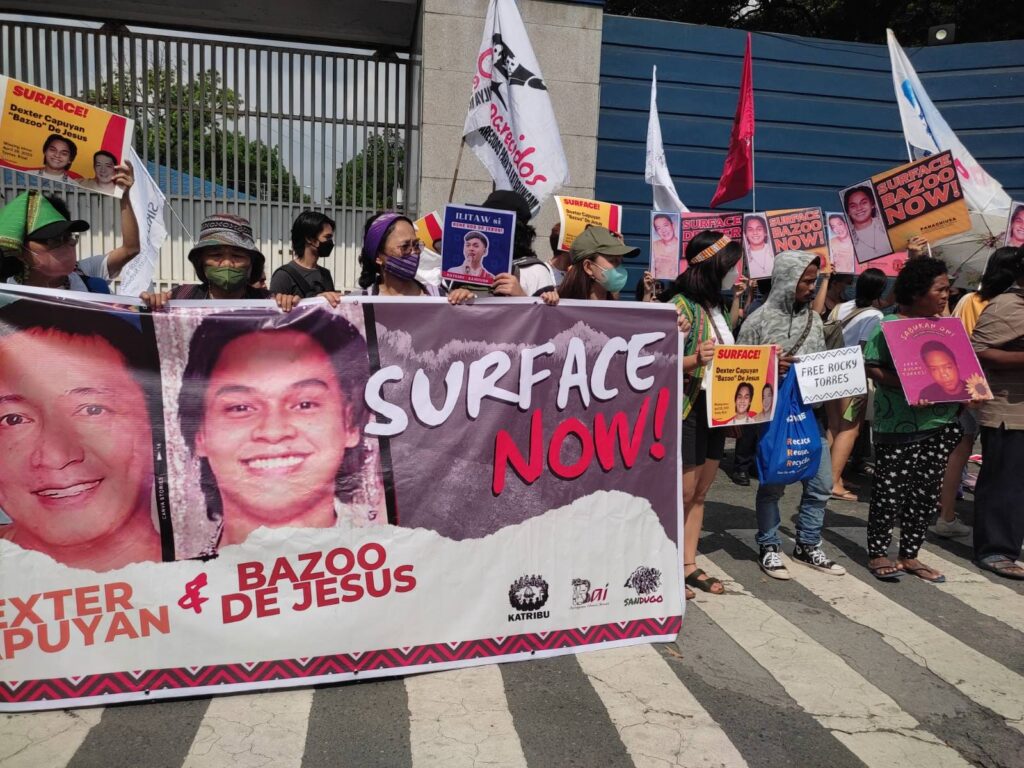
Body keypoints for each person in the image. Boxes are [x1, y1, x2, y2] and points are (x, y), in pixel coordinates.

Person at [177, 307, 381, 548]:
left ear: (349, 423)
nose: (273, 432)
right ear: (200, 433)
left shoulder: (399, 554)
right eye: (240, 408)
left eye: (305, 404)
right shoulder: (168, 575)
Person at [0, 299, 162, 570]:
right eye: (13, 419)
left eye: (93, 410)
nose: (55, 456)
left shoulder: (228, 570)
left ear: (156, 422)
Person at [738, 250, 847, 579]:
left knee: (821, 483)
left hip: (808, 417)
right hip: (771, 418)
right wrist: (772, 368)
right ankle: (769, 546)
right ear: (787, 280)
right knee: (773, 483)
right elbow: (738, 371)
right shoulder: (756, 322)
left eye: (815, 281)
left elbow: (822, 362)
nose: (812, 287)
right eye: (807, 280)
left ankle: (807, 544)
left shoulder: (815, 319)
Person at [863, 257, 963, 583]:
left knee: (925, 493)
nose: (946, 295)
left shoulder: (946, 328)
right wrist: (909, 383)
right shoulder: (886, 325)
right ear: (918, 292)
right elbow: (870, 366)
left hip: (939, 424)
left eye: (948, 289)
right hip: (899, 425)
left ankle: (910, 555)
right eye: (940, 289)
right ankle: (878, 552)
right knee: (890, 491)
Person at [660, 230, 745, 599]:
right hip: (686, 408)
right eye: (730, 266)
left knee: (701, 493)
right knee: (683, 492)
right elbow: (654, 362)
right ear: (712, 266)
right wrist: (696, 359)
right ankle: (664, 564)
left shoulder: (718, 308)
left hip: (716, 409)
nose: (734, 274)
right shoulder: (678, 305)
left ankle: (688, 564)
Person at [934, 246, 1023, 539]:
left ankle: (948, 514)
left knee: (964, 454)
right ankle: (949, 517)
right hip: (979, 390)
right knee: (972, 457)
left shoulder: (975, 299)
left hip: (974, 387)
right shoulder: (997, 303)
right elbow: (975, 346)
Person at [970, 245, 1024, 579]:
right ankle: (995, 549)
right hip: (1008, 412)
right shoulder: (1007, 305)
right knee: (1005, 483)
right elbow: (977, 350)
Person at [0, 181, 139, 293]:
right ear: (19, 250)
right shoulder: (7, 296)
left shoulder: (84, 276)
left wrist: (124, 195)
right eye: (53, 240)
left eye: (68, 238)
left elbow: (130, 249)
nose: (65, 247)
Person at [141, 214, 298, 311]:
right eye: (216, 255)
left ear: (251, 264)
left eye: (237, 255)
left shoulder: (270, 304)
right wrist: (154, 306)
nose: (227, 264)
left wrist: (299, 307)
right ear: (201, 262)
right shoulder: (179, 299)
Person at [825, 267, 887, 500]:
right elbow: (865, 348)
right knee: (850, 428)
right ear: (880, 290)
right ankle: (833, 482)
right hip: (853, 377)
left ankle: (827, 477)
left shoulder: (841, 307)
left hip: (830, 371)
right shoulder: (874, 316)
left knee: (833, 426)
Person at [357, 212, 473, 304]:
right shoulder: (359, 305)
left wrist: (465, 302)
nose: (413, 252)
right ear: (378, 257)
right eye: (405, 246)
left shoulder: (439, 298)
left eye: (416, 245)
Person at [553, 225, 639, 302]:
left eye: (621, 261)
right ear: (588, 267)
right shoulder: (561, 307)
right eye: (613, 260)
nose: (619, 268)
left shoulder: (615, 310)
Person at [269, 210, 338, 301]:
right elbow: (275, 313)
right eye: (327, 237)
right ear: (310, 239)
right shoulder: (283, 276)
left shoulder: (325, 274)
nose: (330, 242)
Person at [844, 186, 890, 262]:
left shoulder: (887, 226)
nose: (859, 208)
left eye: (864, 202)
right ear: (848, 211)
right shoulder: (845, 237)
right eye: (853, 206)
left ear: (872, 204)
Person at [743, 215, 773, 279]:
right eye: (750, 230)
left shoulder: (774, 250)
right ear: (746, 234)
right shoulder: (743, 256)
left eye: (759, 229)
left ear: (765, 232)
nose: (755, 233)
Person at [651, 213, 680, 280]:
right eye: (658, 228)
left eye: (666, 225)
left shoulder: (682, 246)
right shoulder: (654, 245)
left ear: (673, 226)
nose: (663, 230)